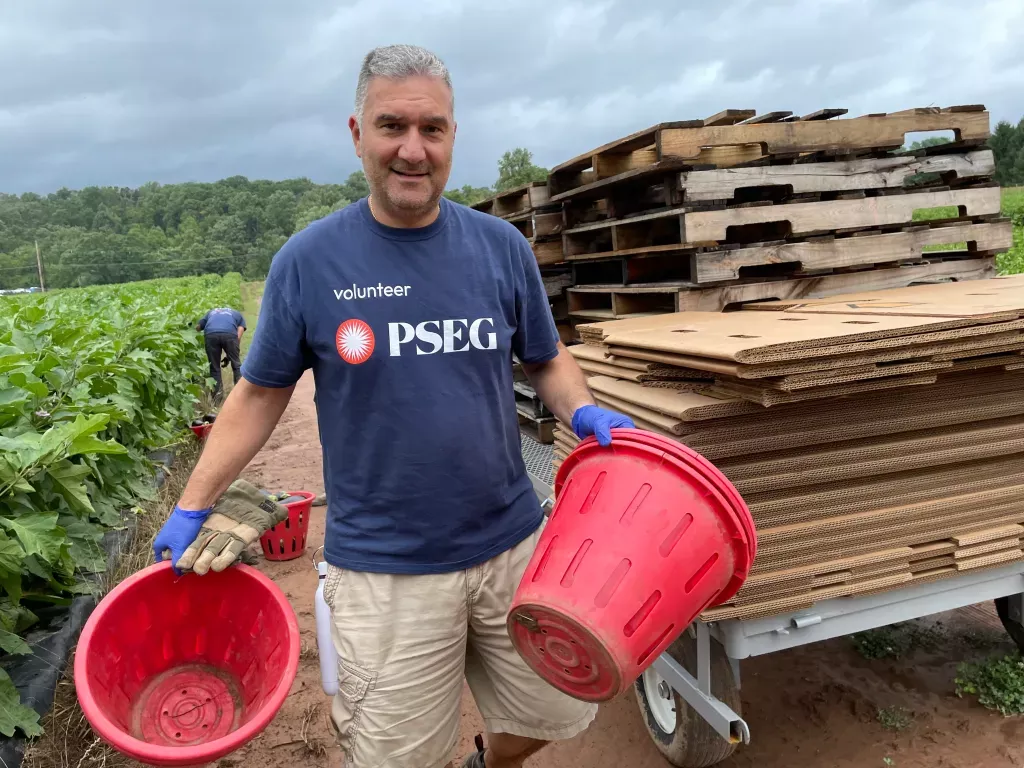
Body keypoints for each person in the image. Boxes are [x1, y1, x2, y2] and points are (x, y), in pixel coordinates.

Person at [153, 44, 635, 768]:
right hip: (386, 571)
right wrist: (194, 502)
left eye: (432, 129)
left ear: (452, 136)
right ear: (357, 135)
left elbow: (544, 356)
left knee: (556, 710)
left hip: (513, 544)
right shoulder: (310, 262)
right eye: (392, 127)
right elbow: (257, 393)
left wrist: (583, 412)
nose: (413, 150)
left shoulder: (500, 248)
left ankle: (489, 760)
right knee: (397, 758)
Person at [196, 307, 246, 401]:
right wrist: (230, 355)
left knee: (214, 368)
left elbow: (198, 327)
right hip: (230, 335)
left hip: (210, 334)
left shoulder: (211, 312)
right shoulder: (237, 315)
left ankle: (217, 399)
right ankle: (241, 397)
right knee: (236, 365)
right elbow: (238, 337)